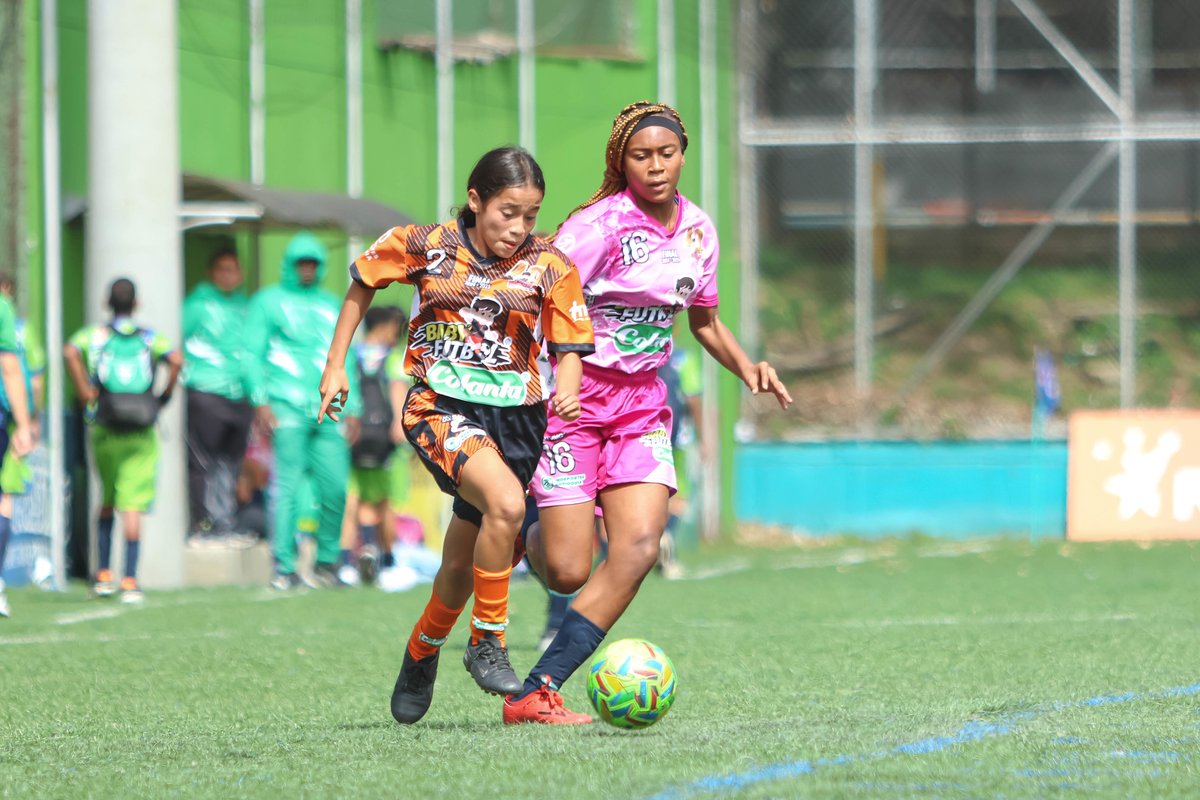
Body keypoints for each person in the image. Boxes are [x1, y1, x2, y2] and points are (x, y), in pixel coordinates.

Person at [507, 101, 792, 725]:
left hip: (641, 407)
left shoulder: (699, 231)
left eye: (666, 154)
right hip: (572, 405)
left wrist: (747, 367)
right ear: (622, 161)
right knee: (565, 569)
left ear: (682, 154)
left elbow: (705, 321)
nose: (656, 167)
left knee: (637, 548)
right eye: (642, 156)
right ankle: (512, 535)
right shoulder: (597, 226)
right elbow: (534, 295)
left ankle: (538, 688)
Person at [317, 146, 594, 724]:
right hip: (439, 407)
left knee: (457, 571)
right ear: (475, 201)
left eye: (530, 214)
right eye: (507, 212)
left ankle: (420, 652)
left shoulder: (551, 263)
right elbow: (362, 282)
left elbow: (569, 345)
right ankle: (487, 641)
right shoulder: (425, 244)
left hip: (518, 423)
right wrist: (336, 363)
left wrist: (567, 384)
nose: (518, 228)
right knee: (506, 503)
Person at [243, 232, 360, 590]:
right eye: (301, 263)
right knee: (287, 488)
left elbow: (348, 355)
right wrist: (259, 399)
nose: (307, 269)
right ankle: (284, 565)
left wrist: (354, 406)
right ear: (290, 265)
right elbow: (251, 352)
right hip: (285, 405)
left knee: (336, 488)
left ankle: (327, 562)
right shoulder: (268, 302)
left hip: (331, 409)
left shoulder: (332, 303)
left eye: (313, 263)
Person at [63, 278, 182, 604]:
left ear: (107, 301)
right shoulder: (148, 337)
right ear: (137, 302)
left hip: (104, 426)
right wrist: (165, 394)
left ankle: (103, 574)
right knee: (133, 505)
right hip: (142, 430)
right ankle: (130, 578)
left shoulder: (96, 336)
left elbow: (70, 350)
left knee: (108, 498)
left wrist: (85, 391)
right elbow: (176, 359)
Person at [182, 247, 253, 543]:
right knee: (202, 463)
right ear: (212, 273)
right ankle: (203, 522)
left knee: (230, 462)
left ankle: (224, 520)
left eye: (233, 269)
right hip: (205, 392)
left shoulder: (246, 306)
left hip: (239, 395)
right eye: (222, 269)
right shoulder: (197, 305)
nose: (228, 275)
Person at [338, 305, 407, 585]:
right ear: (388, 327)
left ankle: (346, 563)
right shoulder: (392, 357)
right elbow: (397, 389)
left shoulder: (351, 354)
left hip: (353, 433)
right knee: (385, 499)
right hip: (384, 436)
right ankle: (387, 561)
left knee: (352, 497)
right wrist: (400, 424)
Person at [0, 275, 37, 618]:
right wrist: (25, 424)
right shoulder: (3, 307)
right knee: (4, 496)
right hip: (2, 413)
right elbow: (12, 369)